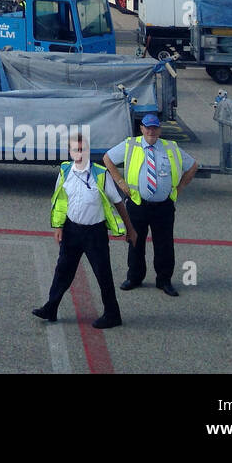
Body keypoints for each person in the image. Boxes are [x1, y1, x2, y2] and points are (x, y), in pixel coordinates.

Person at [33, 132, 135, 329]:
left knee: (102, 273)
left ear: (88, 151)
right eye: (75, 150)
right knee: (62, 270)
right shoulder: (64, 171)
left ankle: (113, 315)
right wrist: (59, 227)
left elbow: (118, 203)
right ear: (70, 152)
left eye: (83, 149)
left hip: (94, 233)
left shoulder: (100, 173)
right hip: (72, 230)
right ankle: (51, 308)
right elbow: (61, 200)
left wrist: (130, 229)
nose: (79, 153)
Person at [103, 113, 199, 296]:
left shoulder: (170, 147)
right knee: (135, 241)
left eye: (155, 128)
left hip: (164, 206)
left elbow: (193, 166)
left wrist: (179, 188)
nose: (151, 131)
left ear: (160, 130)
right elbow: (108, 159)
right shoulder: (131, 144)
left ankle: (164, 280)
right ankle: (134, 277)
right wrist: (121, 183)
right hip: (138, 204)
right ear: (141, 129)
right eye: (148, 127)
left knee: (164, 244)